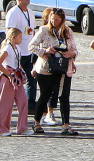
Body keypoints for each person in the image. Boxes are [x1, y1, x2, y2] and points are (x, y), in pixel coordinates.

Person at [28, 7, 78, 135]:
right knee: (45, 95)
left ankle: (66, 125)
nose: (54, 21)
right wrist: (45, 51)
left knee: (64, 96)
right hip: (47, 67)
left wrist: (71, 54)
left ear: (62, 20)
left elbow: (74, 49)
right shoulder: (44, 30)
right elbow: (31, 46)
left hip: (64, 67)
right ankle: (37, 122)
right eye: (52, 19)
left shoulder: (68, 31)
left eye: (57, 19)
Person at [0, 27, 30, 137]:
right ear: (13, 37)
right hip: (7, 78)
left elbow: (17, 62)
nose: (21, 39)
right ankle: (2, 129)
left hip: (16, 78)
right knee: (5, 104)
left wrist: (21, 72)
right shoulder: (7, 48)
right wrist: (9, 74)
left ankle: (22, 128)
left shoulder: (17, 48)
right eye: (20, 37)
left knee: (23, 101)